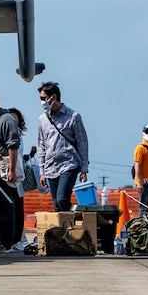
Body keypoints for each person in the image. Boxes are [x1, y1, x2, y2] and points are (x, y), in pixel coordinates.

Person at [35, 81, 88, 211]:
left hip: (69, 164)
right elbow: (41, 145)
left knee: (62, 199)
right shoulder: (42, 119)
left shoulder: (73, 116)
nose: (42, 102)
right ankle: (65, 230)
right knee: (56, 205)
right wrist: (42, 172)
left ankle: (80, 216)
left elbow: (82, 142)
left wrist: (84, 168)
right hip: (50, 166)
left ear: (53, 97)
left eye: (44, 98)